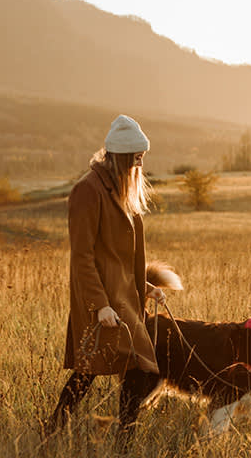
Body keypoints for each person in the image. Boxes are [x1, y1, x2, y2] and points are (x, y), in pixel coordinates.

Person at [47, 114, 165, 433]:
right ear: (122, 154)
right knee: (105, 366)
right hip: (104, 300)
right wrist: (100, 305)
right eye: (137, 157)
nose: (141, 163)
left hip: (123, 296)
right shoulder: (88, 191)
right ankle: (65, 425)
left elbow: (119, 258)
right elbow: (82, 257)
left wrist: (146, 286)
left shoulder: (119, 188)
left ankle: (114, 430)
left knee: (119, 365)